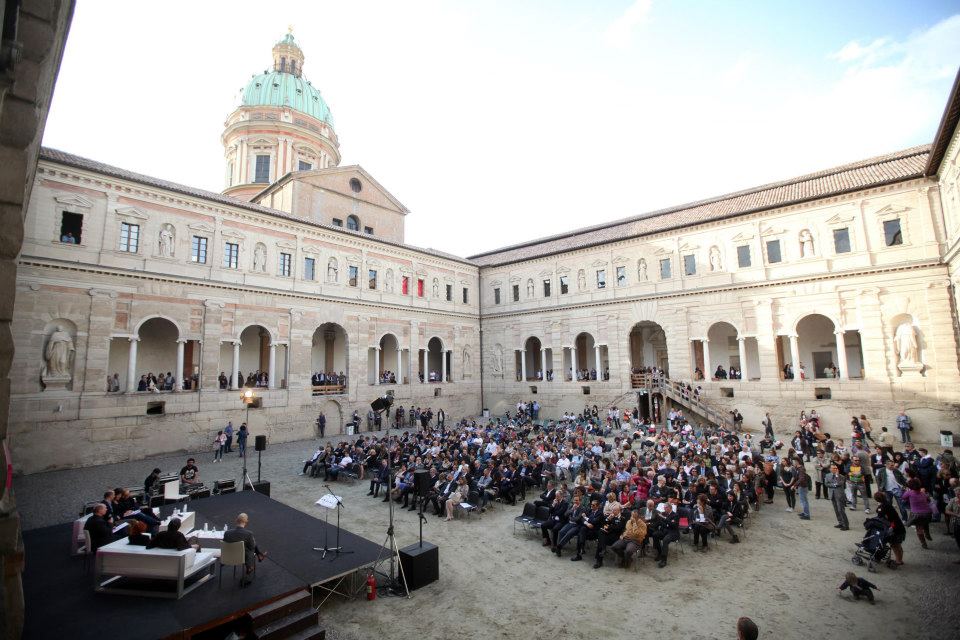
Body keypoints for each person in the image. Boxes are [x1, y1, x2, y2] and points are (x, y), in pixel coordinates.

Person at [223, 513, 267, 587]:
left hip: (229, 557)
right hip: (242, 558)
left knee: (247, 547)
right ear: (246, 522)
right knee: (251, 548)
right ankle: (251, 565)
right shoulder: (248, 534)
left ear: (236, 520)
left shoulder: (227, 533)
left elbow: (225, 544)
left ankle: (258, 557)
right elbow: (252, 547)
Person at [873, 491, 905, 566]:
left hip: (894, 528)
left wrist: (879, 507)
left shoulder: (883, 507)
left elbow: (879, 513)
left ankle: (898, 561)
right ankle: (900, 559)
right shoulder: (887, 503)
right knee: (898, 545)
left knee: (894, 545)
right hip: (899, 526)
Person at [901, 478, 933, 549]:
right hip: (927, 513)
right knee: (925, 523)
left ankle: (923, 543)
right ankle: (927, 533)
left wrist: (905, 490)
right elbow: (928, 500)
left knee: (919, 529)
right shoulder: (923, 493)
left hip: (916, 514)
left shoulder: (909, 493)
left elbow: (903, 497)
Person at [650, 502, 680, 568]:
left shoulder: (675, 515)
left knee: (665, 540)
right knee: (655, 534)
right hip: (665, 531)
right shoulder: (664, 514)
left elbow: (673, 525)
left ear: (669, 508)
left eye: (665, 507)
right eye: (664, 507)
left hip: (673, 533)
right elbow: (662, 523)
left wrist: (664, 518)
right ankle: (660, 552)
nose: (664, 509)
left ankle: (664, 560)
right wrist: (650, 524)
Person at [825, 463, 849, 530]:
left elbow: (840, 483)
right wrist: (834, 485)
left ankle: (846, 525)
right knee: (836, 510)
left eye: (836, 468)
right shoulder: (827, 475)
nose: (835, 469)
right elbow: (826, 484)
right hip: (832, 495)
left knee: (840, 509)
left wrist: (837, 476)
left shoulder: (841, 476)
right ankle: (840, 522)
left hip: (839, 495)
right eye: (833, 468)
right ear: (830, 469)